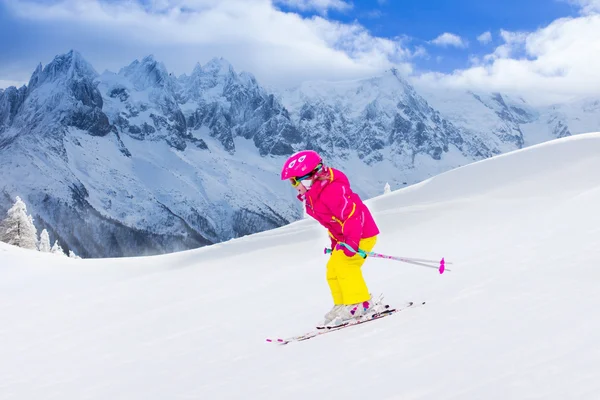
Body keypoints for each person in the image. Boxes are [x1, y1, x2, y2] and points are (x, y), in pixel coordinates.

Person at [281, 150, 383, 327]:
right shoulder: (314, 195)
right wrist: (336, 242)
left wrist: (351, 243)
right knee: (333, 269)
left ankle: (360, 304)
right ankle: (344, 303)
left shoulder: (331, 191)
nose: (293, 185)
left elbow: (352, 215)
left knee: (346, 266)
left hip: (361, 234)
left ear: (308, 177)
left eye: (294, 180)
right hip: (347, 237)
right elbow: (332, 222)